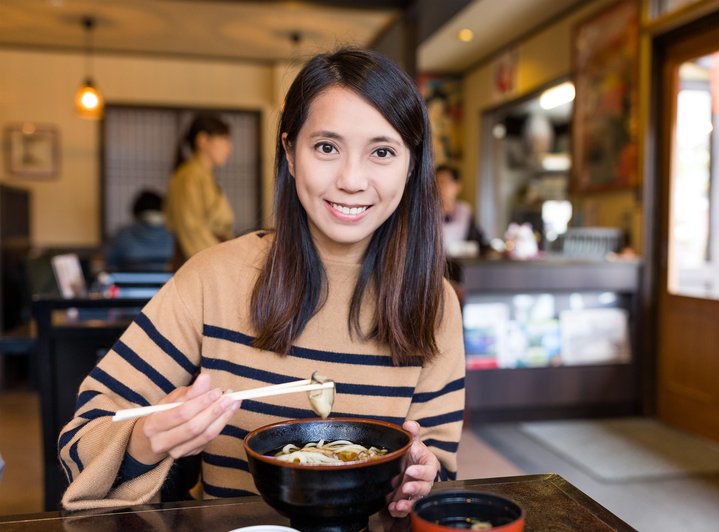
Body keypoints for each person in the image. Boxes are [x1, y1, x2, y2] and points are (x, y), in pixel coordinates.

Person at [58, 48, 466, 518]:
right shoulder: (213, 279)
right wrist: (146, 440)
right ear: (291, 154)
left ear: (412, 165)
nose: (352, 179)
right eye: (327, 147)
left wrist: (420, 478)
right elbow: (82, 435)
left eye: (382, 152)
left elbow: (440, 471)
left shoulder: (434, 305)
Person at [165, 112, 234, 269]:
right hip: (200, 261)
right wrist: (219, 263)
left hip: (212, 254)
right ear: (203, 140)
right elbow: (191, 228)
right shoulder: (188, 176)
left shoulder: (202, 176)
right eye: (224, 140)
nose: (229, 148)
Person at [105, 190, 175, 272]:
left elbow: (110, 262)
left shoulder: (123, 235)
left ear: (135, 211)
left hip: (128, 283)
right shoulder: (173, 235)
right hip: (169, 283)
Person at [435, 164, 487, 257]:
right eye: (436, 182)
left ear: (458, 186)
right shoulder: (426, 212)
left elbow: (477, 242)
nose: (440, 187)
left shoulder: (465, 211)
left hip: (458, 265)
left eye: (445, 182)